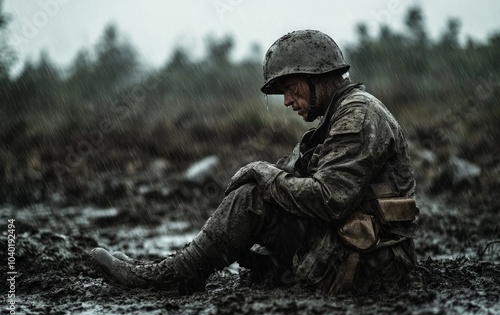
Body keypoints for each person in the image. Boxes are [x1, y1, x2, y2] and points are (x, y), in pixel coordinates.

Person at [91, 30, 418, 295]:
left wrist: (262, 173)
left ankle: (176, 276)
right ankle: (190, 268)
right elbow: (298, 176)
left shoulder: (357, 116)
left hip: (374, 264)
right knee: (256, 195)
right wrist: (263, 177)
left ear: (318, 76)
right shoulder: (339, 115)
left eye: (290, 88)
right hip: (360, 246)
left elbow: (329, 199)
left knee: (252, 198)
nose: (288, 101)